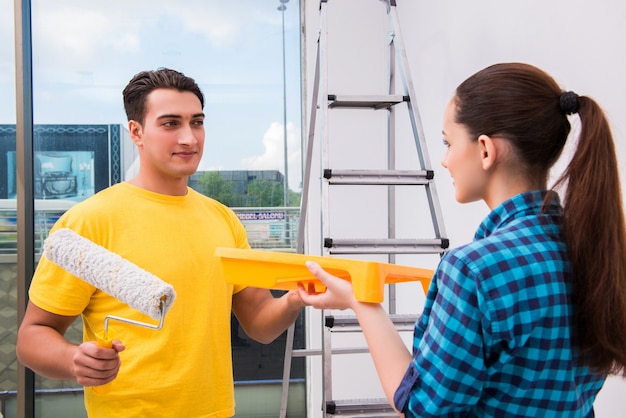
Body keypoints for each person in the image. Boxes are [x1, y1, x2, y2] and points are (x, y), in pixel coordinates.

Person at [298, 62, 626, 417]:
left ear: (485, 150)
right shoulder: (596, 253)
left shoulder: (473, 270)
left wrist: (362, 304)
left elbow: (423, 408)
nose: (444, 160)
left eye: (448, 142)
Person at [16, 68, 305, 417]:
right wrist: (73, 359)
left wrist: (295, 298)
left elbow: (259, 324)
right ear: (136, 132)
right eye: (171, 124)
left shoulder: (223, 220)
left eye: (196, 122)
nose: (189, 138)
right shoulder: (89, 222)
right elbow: (32, 337)